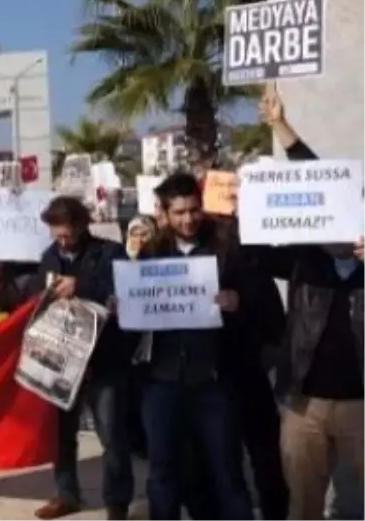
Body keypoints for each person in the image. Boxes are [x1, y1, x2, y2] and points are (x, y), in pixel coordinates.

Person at [254, 87, 365, 521]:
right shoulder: (304, 261)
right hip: (305, 406)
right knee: (302, 506)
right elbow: (312, 176)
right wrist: (280, 126)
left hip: (362, 405)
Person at [137, 173, 255, 521]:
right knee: (162, 474)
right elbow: (139, 312)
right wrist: (124, 305)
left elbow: (256, 301)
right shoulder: (151, 252)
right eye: (179, 213)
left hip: (213, 380)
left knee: (227, 472)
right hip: (162, 380)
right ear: (164, 213)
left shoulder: (225, 248)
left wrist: (238, 301)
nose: (188, 219)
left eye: (193, 210)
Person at [31, 196, 135, 521]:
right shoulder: (48, 258)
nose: (62, 241)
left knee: (112, 436)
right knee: (62, 436)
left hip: (104, 361)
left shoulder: (110, 252)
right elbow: (37, 299)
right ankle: (66, 494)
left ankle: (117, 504)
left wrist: (82, 285)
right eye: (57, 235)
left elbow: (127, 289)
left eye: (68, 235)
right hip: (63, 363)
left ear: (82, 226)